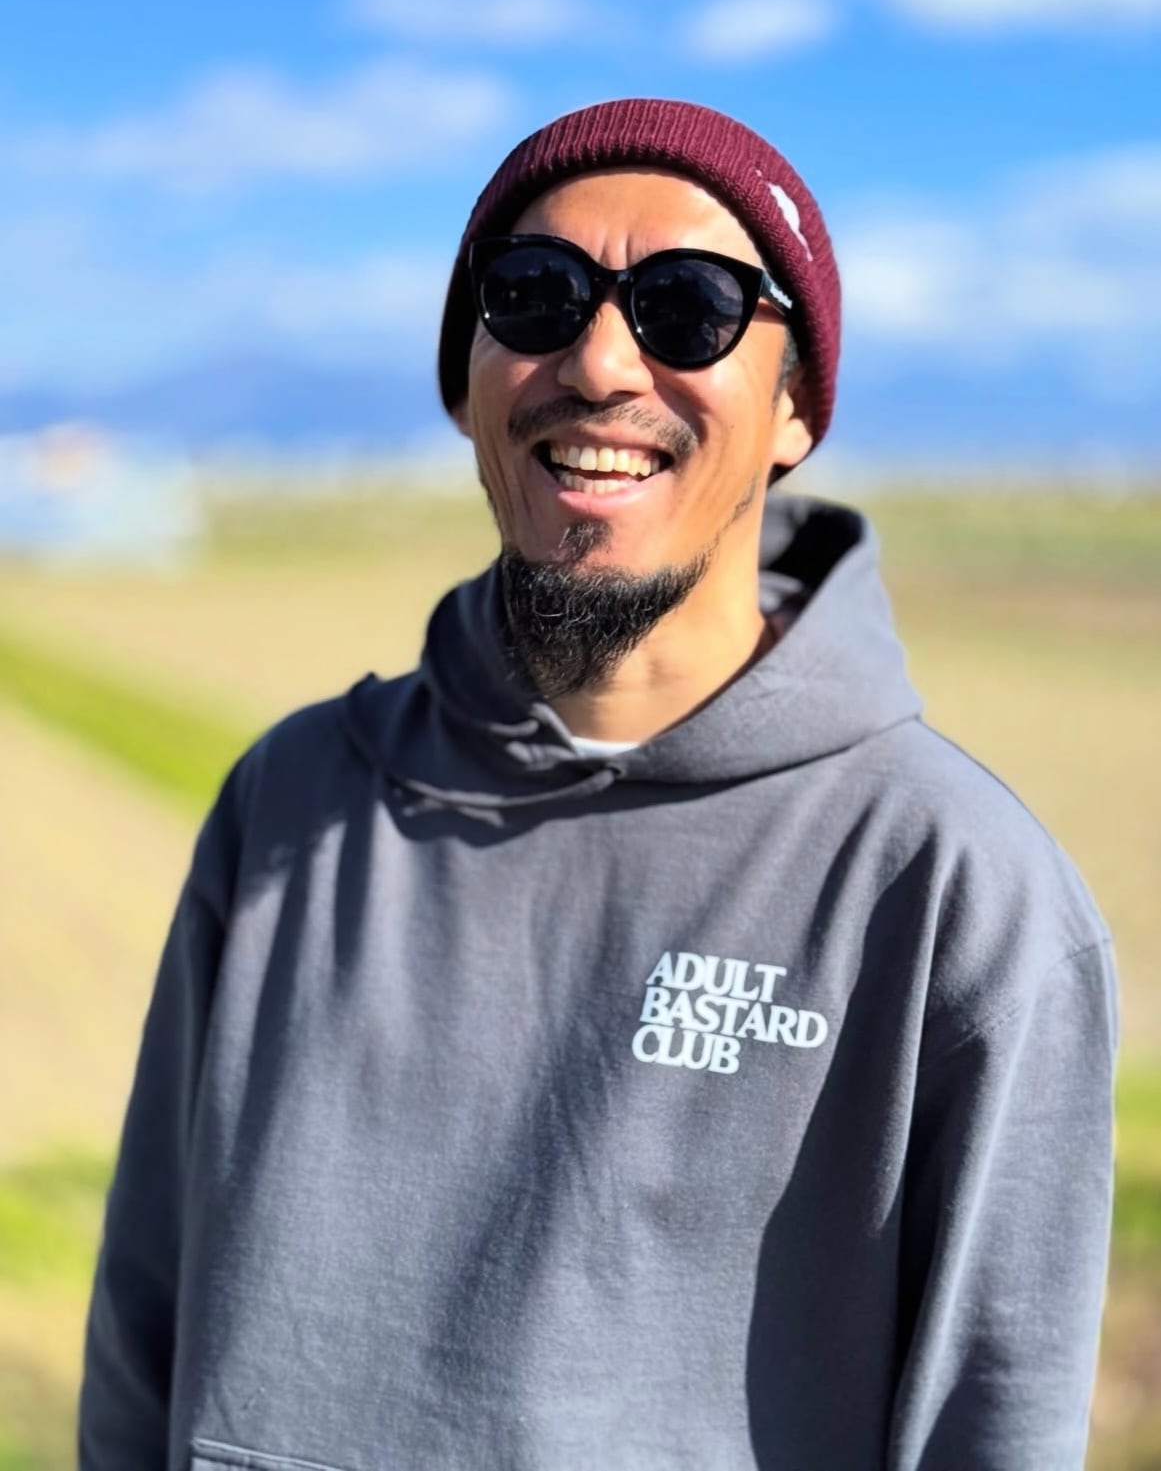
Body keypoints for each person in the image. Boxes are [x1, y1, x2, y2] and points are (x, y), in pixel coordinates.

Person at [80, 99, 1117, 1470]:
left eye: (690, 307)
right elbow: (141, 1340)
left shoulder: (953, 890)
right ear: (466, 381)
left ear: (796, 406)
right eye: (534, 294)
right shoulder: (294, 803)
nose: (600, 360)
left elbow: (994, 1428)